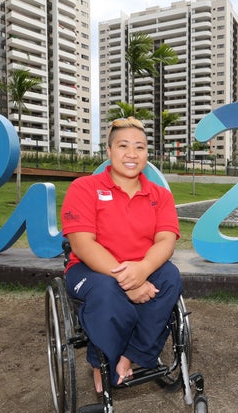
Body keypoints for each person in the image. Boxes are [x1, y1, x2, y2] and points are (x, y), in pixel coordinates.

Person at [61, 117, 183, 392]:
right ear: (108, 150)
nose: (131, 154)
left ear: (147, 154)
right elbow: (82, 244)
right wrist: (129, 281)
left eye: (139, 147)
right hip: (90, 270)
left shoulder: (160, 195)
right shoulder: (84, 188)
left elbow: (165, 240)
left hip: (142, 266)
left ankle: (130, 356)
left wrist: (142, 270)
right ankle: (100, 360)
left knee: (170, 276)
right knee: (107, 290)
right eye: (123, 145)